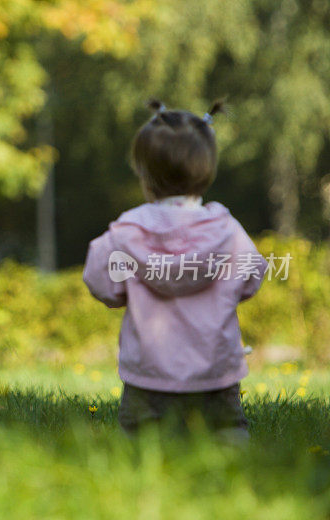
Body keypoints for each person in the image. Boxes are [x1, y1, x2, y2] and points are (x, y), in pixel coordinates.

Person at [82, 100, 265, 438]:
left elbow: (100, 281)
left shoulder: (128, 230)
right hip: (215, 371)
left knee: (141, 445)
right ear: (207, 170)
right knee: (226, 437)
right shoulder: (225, 228)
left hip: (148, 373)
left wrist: (122, 292)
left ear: (144, 175)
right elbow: (252, 278)